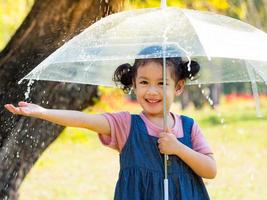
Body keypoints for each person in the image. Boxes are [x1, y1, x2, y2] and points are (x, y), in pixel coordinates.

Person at [5, 46, 216, 200]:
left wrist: (178, 148)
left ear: (178, 87)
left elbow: (210, 170)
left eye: (162, 83)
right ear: (133, 83)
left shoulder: (189, 127)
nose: (152, 91)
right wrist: (44, 112)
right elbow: (84, 120)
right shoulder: (126, 125)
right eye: (144, 82)